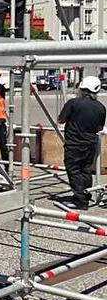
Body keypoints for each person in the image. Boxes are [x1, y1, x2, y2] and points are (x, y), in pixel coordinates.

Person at [56, 76, 106, 210]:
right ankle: (86, 194)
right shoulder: (101, 107)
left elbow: (61, 120)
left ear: (82, 89)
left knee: (74, 170)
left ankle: (80, 201)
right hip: (91, 143)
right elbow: (99, 128)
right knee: (86, 169)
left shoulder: (73, 103)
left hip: (75, 143)